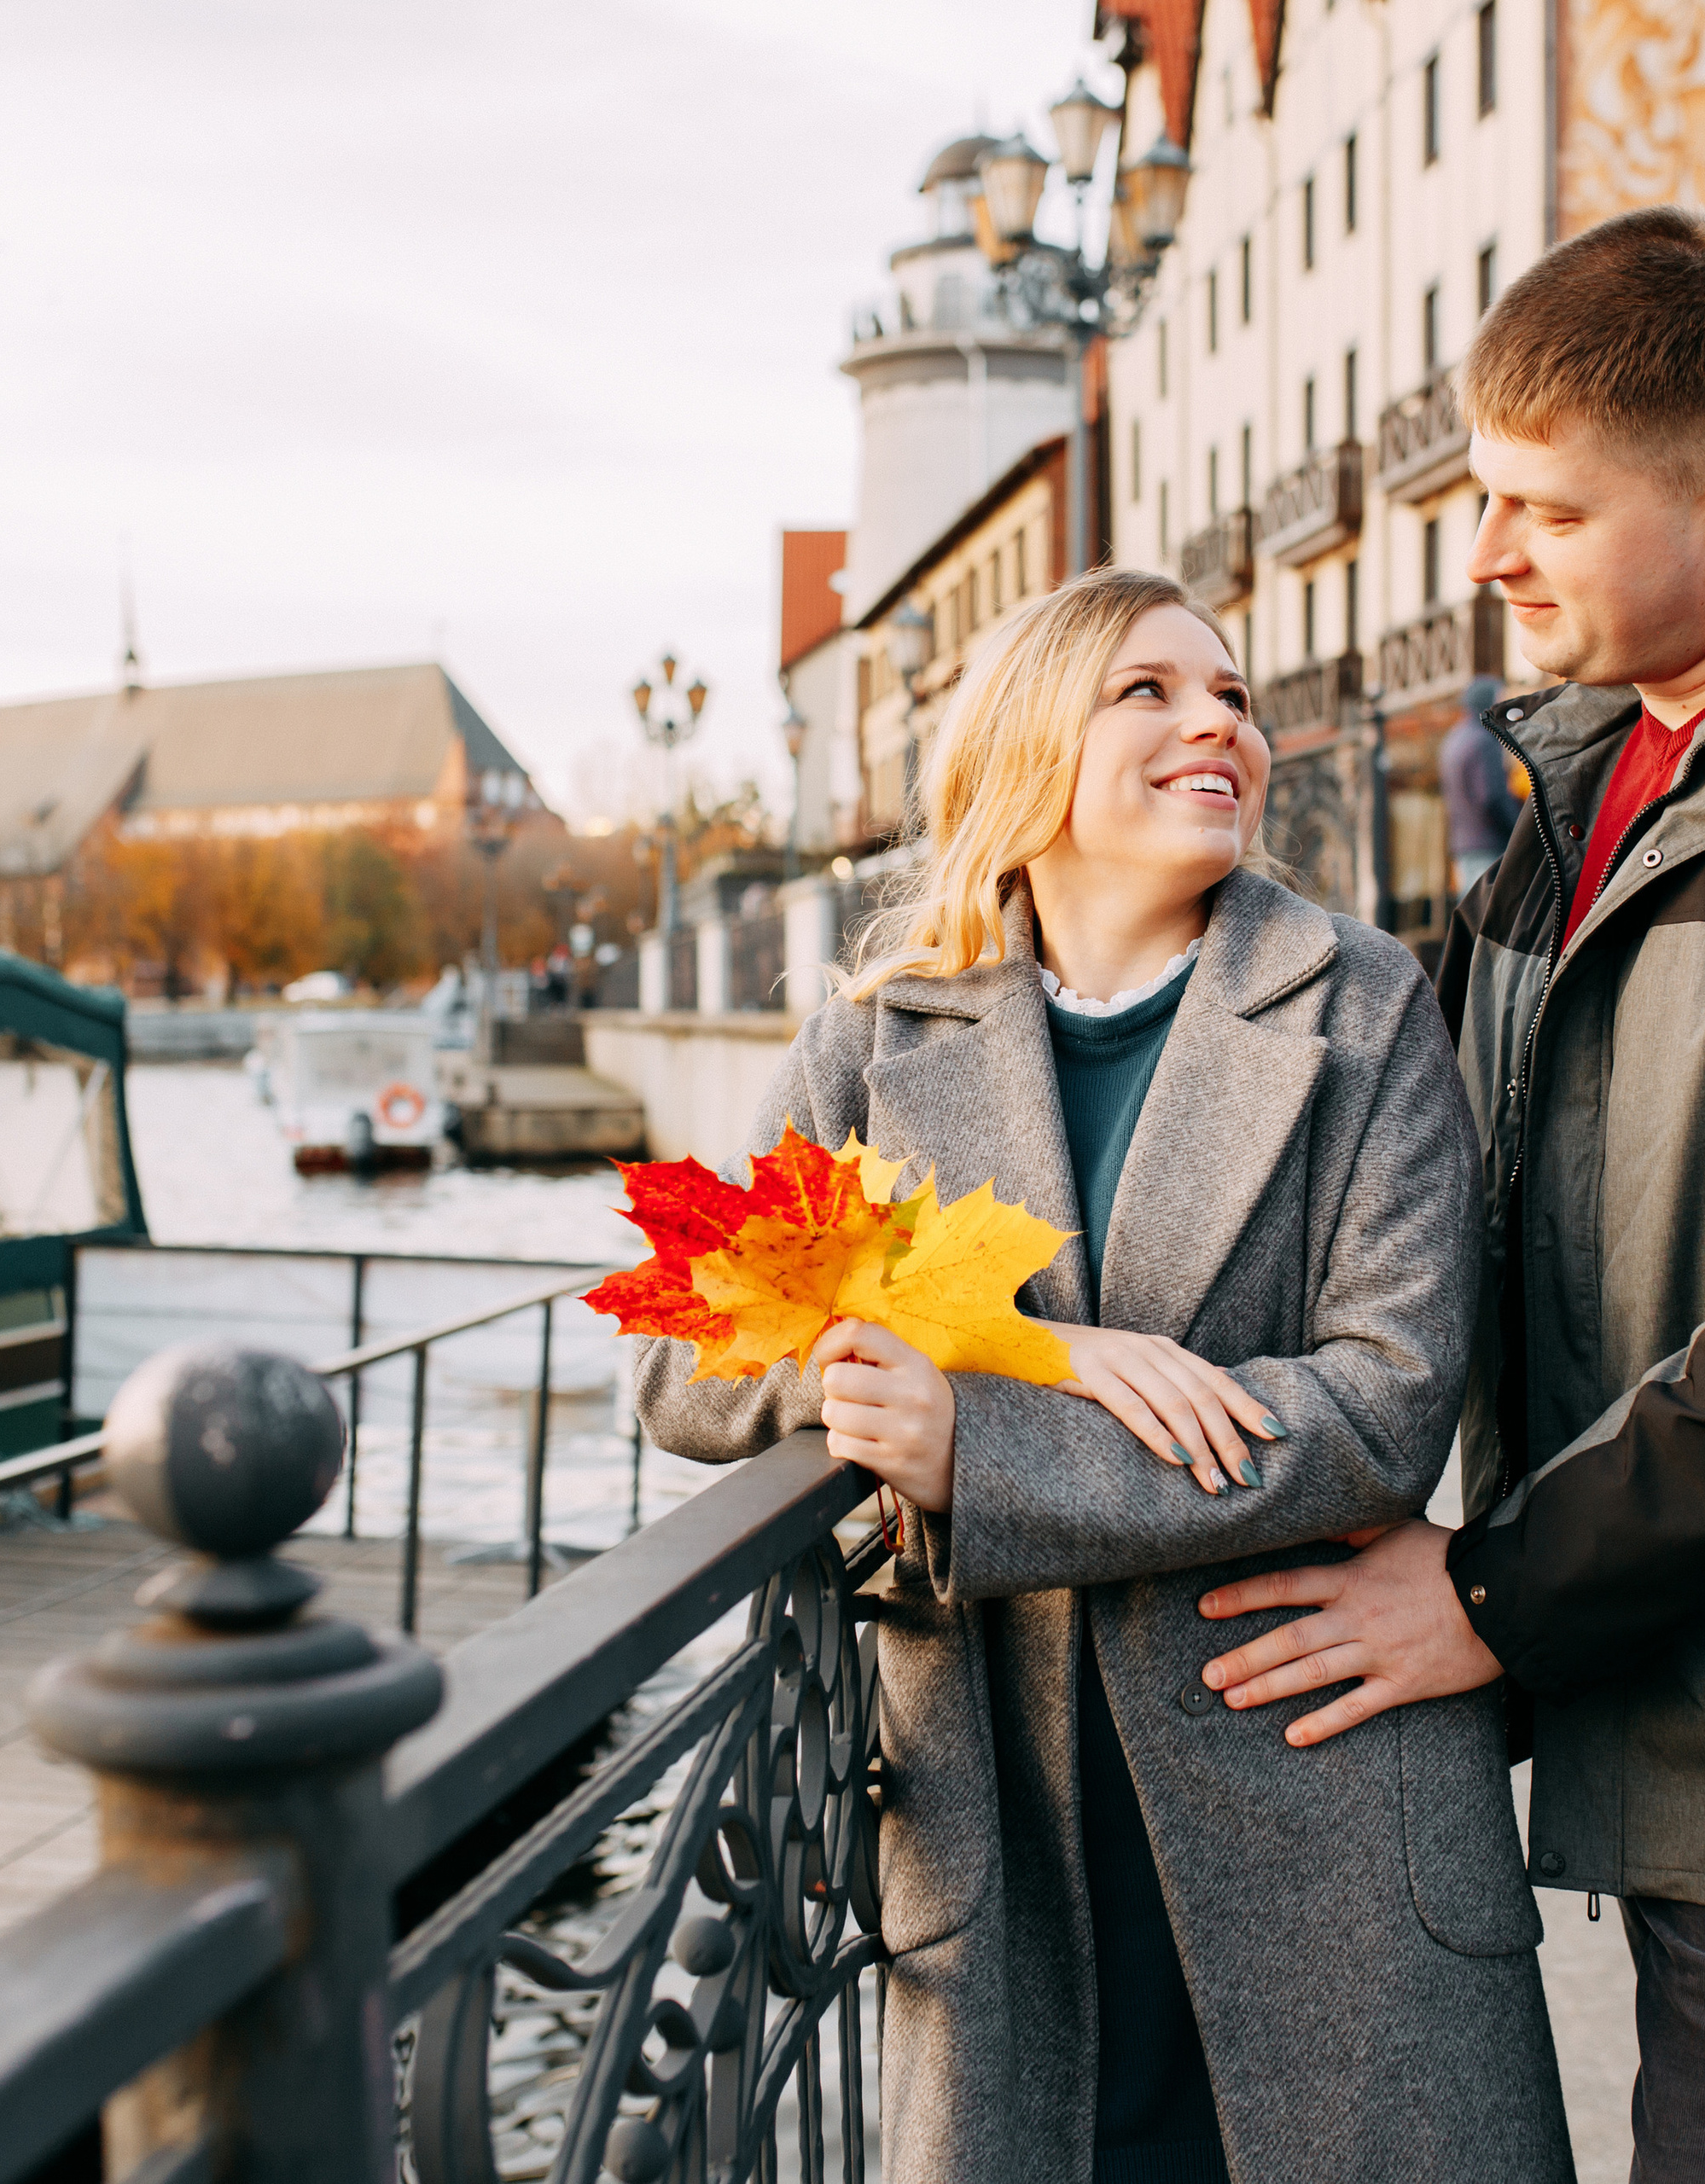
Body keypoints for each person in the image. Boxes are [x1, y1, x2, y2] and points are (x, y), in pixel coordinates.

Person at [1195, 206, 1705, 2182]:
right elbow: (1401, 1142)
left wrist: (1494, 1589)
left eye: (1538, 513)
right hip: (1691, 1708)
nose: (1480, 558)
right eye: (1481, 499)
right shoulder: (1595, 765)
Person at [636, 566, 1572, 2184]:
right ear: (1026, 743)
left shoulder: (1362, 1003)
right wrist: (1017, 1347)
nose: (1220, 720)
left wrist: (977, 1455)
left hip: (1318, 1779)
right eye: (1150, 690)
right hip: (1003, 1810)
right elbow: (692, 1367)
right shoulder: (878, 1035)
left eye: (1233, 696)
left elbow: (1382, 1407)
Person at [1438, 674, 1522, 896]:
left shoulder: (1453, 739)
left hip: (1464, 844)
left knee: (1472, 912)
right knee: (1490, 915)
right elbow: (1491, 796)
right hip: (1489, 844)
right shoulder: (1483, 741)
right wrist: (1519, 830)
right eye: (1500, 699)